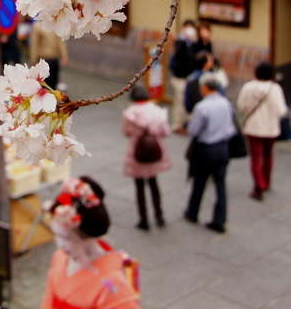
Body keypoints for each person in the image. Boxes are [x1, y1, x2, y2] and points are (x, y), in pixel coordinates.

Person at [41, 177, 139, 309]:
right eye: (57, 237)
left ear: (86, 236)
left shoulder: (112, 284)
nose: (60, 245)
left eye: (66, 239)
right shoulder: (60, 257)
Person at [184, 75, 236, 234]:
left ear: (206, 89)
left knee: (200, 182)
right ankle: (219, 219)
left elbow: (193, 130)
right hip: (223, 148)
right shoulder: (226, 103)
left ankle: (192, 212)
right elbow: (231, 126)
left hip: (206, 148)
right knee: (220, 184)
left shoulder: (202, 107)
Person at [122, 85, 171, 231]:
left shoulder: (129, 113)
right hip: (154, 151)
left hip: (137, 153)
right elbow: (166, 132)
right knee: (154, 183)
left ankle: (143, 220)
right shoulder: (158, 111)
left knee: (139, 187)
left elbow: (126, 132)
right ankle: (159, 216)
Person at [237, 62, 288, 201]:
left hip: (253, 128)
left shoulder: (248, 87)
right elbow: (282, 110)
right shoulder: (275, 88)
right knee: (268, 156)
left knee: (255, 158)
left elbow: (241, 106)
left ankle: (258, 185)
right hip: (271, 129)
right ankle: (266, 182)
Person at [169, 20, 198, 133]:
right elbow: (179, 56)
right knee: (180, 100)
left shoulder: (193, 43)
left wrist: (195, 42)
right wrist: (184, 40)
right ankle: (177, 125)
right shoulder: (180, 42)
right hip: (179, 77)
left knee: (188, 100)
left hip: (189, 76)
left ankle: (186, 123)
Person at [184, 51, 228, 115]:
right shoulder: (208, 79)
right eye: (210, 61)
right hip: (206, 112)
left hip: (194, 112)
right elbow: (221, 94)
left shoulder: (191, 77)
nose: (212, 63)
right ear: (205, 64)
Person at [30, 20, 69, 90]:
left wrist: (64, 55)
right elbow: (34, 45)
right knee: (45, 85)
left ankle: (54, 98)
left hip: (54, 59)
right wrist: (33, 60)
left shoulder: (55, 24)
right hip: (44, 60)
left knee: (54, 83)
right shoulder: (38, 26)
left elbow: (60, 41)